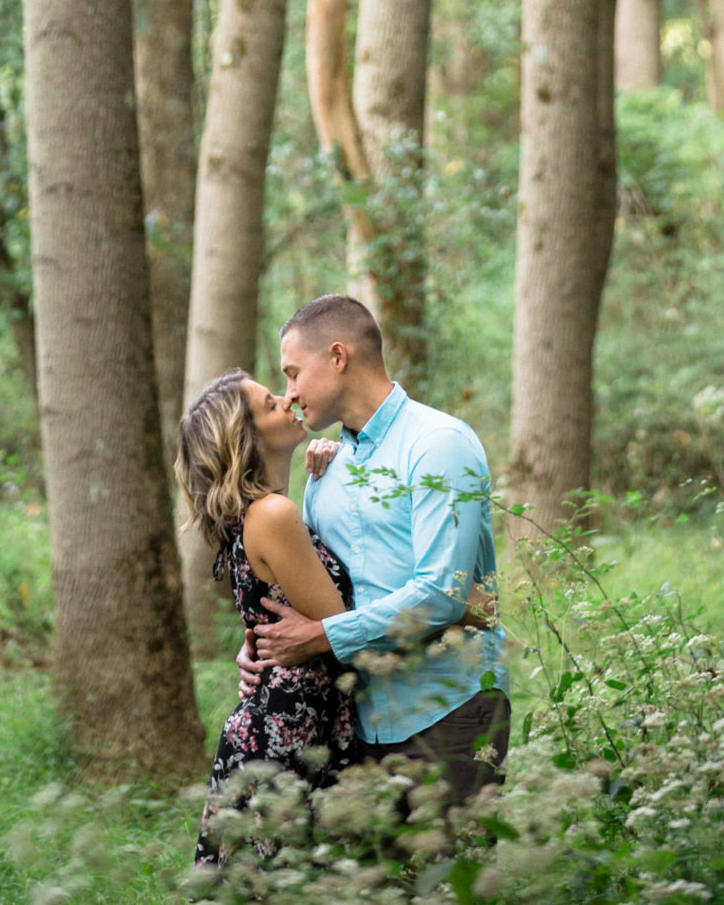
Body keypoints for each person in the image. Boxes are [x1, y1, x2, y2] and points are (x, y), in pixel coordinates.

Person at [243, 293, 511, 814]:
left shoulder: (439, 444)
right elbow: (315, 584)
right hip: (359, 722)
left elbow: (442, 595)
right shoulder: (326, 469)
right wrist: (259, 647)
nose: (290, 393)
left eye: (294, 373)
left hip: (451, 705)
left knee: (449, 885)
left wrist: (319, 637)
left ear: (338, 358)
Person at [177, 368, 360, 866]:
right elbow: (344, 627)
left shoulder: (261, 514)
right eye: (268, 402)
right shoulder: (272, 516)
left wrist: (331, 466)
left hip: (284, 724)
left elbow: (274, 611)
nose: (286, 400)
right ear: (246, 438)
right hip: (287, 733)